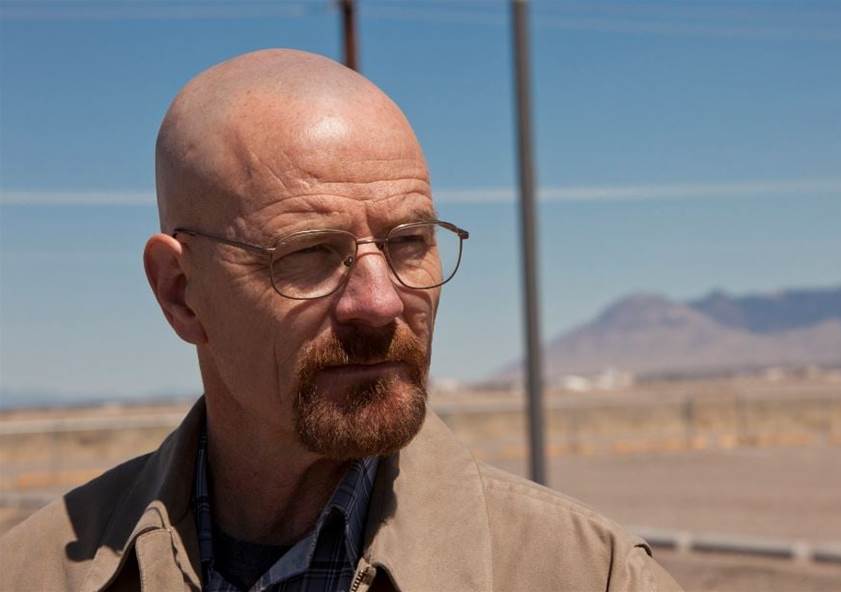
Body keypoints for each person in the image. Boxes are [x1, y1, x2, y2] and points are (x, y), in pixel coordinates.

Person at [0, 49, 682, 592]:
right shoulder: (34, 573)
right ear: (181, 293)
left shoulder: (590, 576)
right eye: (308, 253)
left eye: (409, 242)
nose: (380, 302)